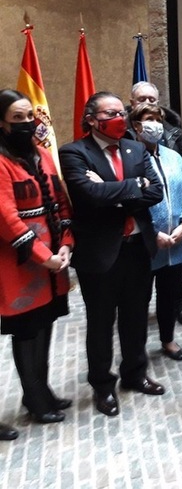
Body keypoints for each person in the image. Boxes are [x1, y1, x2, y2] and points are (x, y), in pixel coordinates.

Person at [59, 92, 165, 417]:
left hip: (137, 249)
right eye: (111, 113)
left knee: (135, 319)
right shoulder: (74, 152)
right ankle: (103, 386)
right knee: (101, 324)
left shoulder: (134, 147)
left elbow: (156, 191)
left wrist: (113, 190)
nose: (120, 117)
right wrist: (136, 186)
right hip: (100, 255)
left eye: (122, 112)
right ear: (92, 119)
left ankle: (135, 373)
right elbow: (89, 195)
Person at [0, 89, 74, 433]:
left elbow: (60, 202)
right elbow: (7, 218)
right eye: (18, 118)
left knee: (46, 325)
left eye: (30, 116)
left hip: (53, 262)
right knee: (28, 331)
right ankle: (34, 399)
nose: (27, 123)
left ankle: (41, 391)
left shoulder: (43, 154)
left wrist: (66, 247)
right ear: (2, 123)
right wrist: (44, 258)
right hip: (20, 264)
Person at [128, 103, 182, 361]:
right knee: (138, 301)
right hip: (145, 244)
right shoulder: (129, 158)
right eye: (147, 119)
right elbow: (130, 202)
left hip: (176, 241)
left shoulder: (173, 157)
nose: (154, 124)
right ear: (136, 126)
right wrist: (152, 233)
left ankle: (167, 339)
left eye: (157, 119)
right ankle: (136, 349)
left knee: (170, 295)